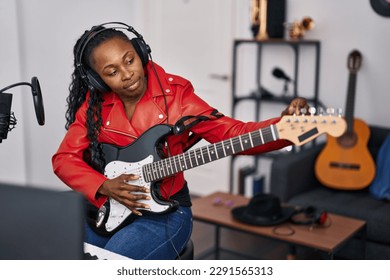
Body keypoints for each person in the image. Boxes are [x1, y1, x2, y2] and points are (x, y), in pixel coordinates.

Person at [52, 22, 309, 260]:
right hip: (108, 207)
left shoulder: (176, 96)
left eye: (129, 60)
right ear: (97, 80)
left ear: (141, 53)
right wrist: (104, 186)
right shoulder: (95, 104)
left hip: (163, 214)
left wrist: (282, 128)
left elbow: (233, 133)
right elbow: (64, 159)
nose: (127, 74)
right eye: (111, 72)